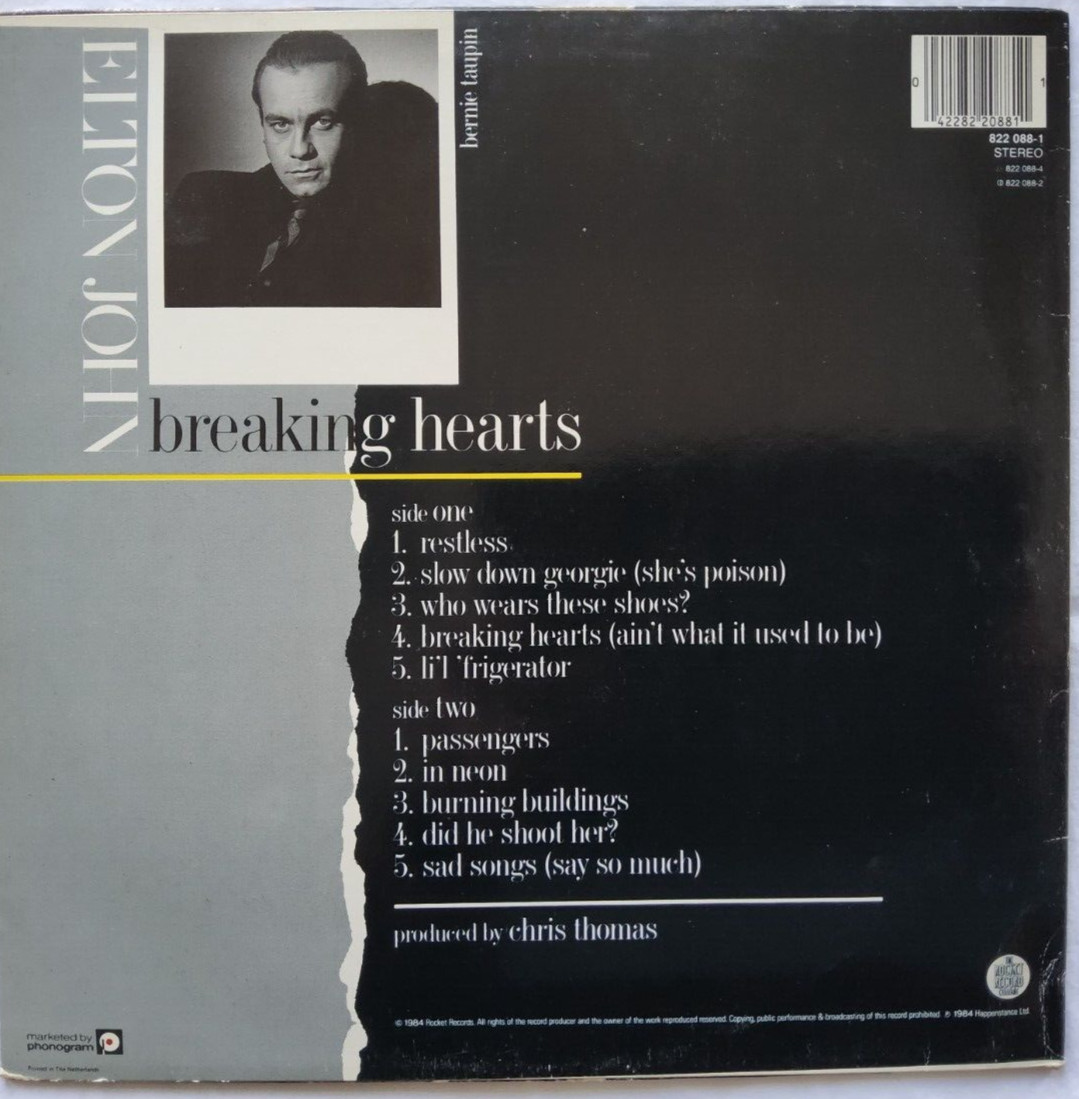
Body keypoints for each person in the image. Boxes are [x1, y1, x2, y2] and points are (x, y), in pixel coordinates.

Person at [166, 31, 440, 308]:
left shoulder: (395, 240)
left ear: (358, 124)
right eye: (280, 124)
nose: (299, 150)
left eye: (323, 122)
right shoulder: (205, 199)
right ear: (263, 127)